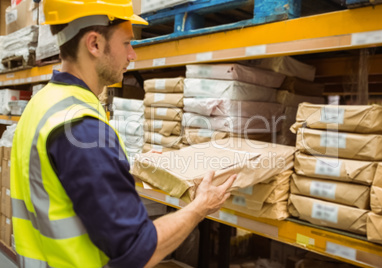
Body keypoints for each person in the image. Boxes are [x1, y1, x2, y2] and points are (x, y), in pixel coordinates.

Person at [10, 0, 236, 267]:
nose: (133, 55)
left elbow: (61, 187)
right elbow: (138, 251)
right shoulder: (82, 129)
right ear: (94, 44)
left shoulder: (44, 104)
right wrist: (200, 207)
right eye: (127, 43)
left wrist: (122, 165)